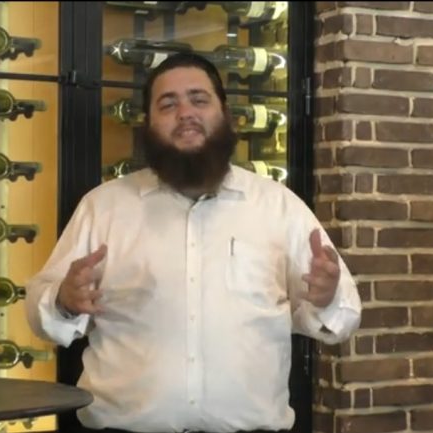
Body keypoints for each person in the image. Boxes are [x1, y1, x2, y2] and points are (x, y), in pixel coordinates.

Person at [24, 52, 362, 433]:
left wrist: (327, 297)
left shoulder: (278, 207)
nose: (185, 113)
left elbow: (346, 317)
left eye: (199, 100)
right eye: (168, 104)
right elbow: (38, 313)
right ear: (148, 123)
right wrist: (63, 300)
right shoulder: (104, 207)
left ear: (225, 114)